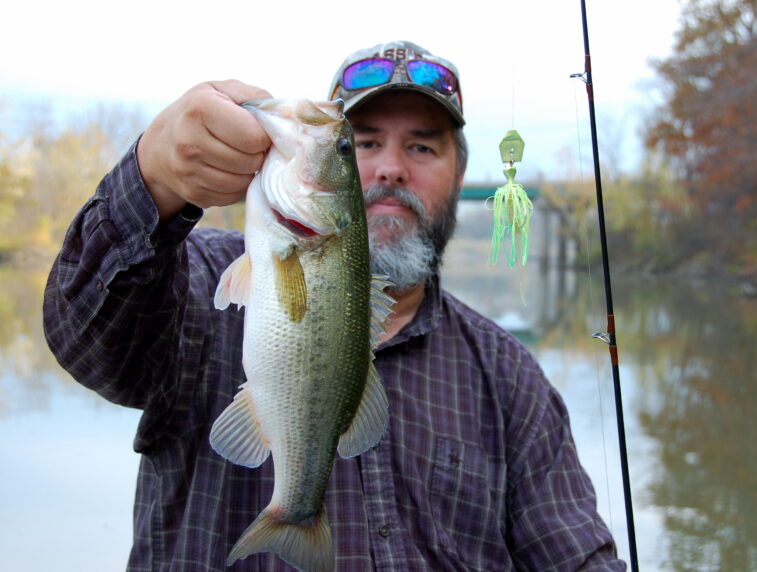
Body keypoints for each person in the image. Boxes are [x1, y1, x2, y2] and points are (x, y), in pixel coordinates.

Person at [43, 41, 626, 571]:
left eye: (422, 145)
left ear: (459, 175)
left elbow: (575, 555)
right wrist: (154, 178)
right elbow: (84, 337)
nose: (391, 167)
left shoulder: (509, 377)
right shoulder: (196, 282)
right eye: (362, 143)